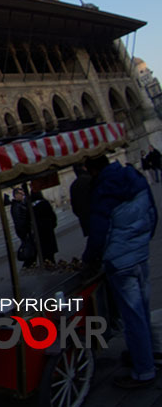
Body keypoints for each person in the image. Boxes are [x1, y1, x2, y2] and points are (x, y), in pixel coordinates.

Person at [84, 154, 158, 389]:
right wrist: (142, 241)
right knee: (142, 311)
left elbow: (98, 233)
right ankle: (149, 353)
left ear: (93, 170)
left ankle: (144, 370)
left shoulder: (104, 190)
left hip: (120, 263)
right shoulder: (134, 177)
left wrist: (90, 259)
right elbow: (152, 214)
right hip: (140, 254)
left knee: (132, 317)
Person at [9, 187, 35, 268]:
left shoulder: (20, 204)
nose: (23, 196)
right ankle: (27, 265)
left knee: (30, 247)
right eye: (21, 194)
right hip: (23, 230)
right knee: (28, 247)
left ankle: (29, 264)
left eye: (23, 194)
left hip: (25, 229)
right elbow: (19, 220)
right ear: (16, 195)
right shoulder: (16, 206)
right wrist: (25, 230)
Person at [30, 191, 58, 265]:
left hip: (39, 231)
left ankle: (47, 264)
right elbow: (52, 215)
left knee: (43, 253)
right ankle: (52, 263)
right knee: (50, 252)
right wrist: (52, 224)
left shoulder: (31, 206)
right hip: (48, 229)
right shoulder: (45, 203)